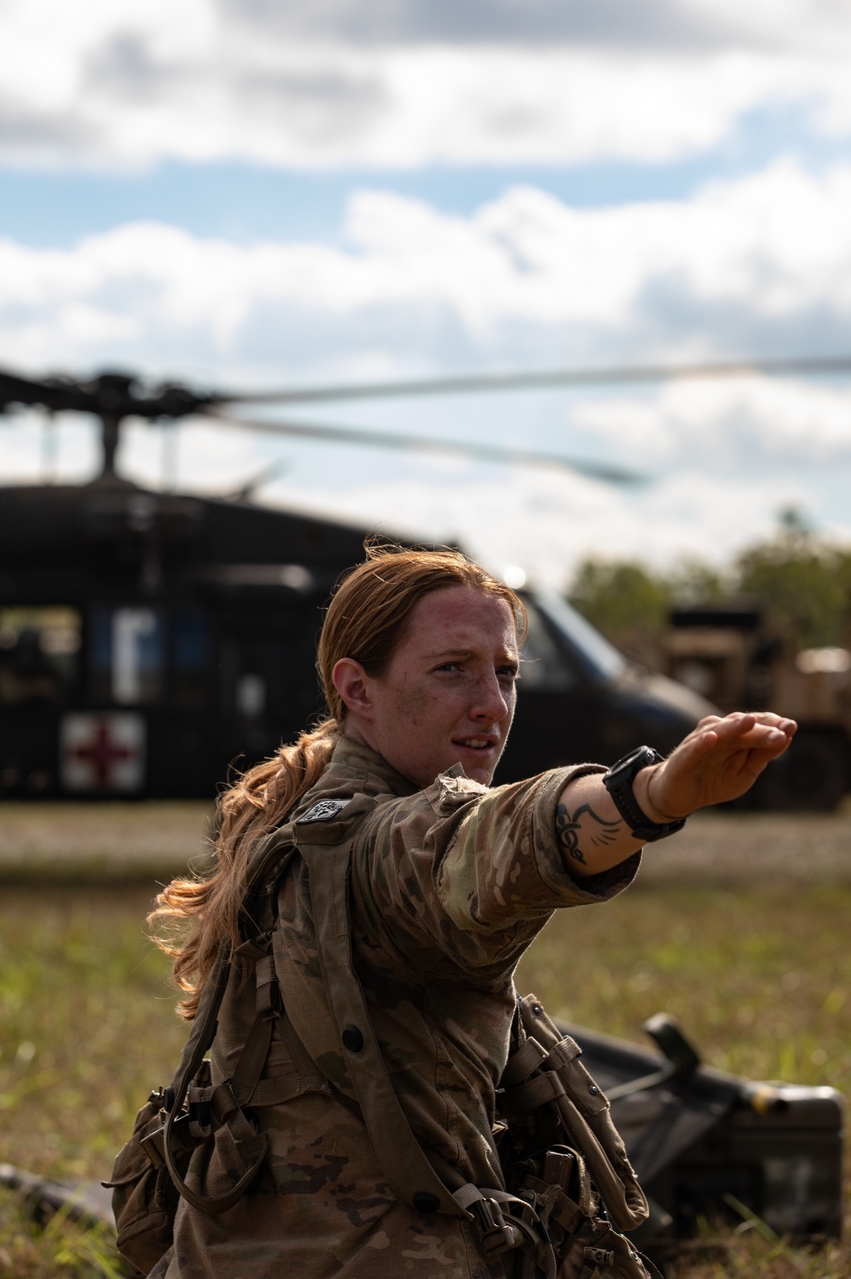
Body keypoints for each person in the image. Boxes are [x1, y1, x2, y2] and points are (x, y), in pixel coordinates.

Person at [145, 546, 795, 1279]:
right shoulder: (382, 842)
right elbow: (499, 835)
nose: (491, 702)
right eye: (451, 669)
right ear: (357, 688)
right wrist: (649, 798)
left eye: (506, 672)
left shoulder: (286, 810)